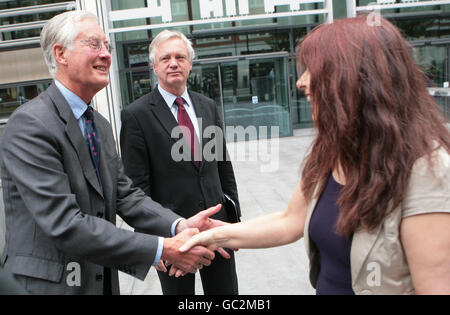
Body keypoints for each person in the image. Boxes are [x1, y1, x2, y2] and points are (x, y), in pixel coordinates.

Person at [180, 15, 450, 295]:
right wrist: (214, 235)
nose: (301, 81)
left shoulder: (428, 171)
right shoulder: (334, 153)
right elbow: (289, 221)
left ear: (357, 79)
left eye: (314, 68)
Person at [0, 11, 228, 295]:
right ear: (61, 53)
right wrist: (161, 248)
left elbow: (125, 194)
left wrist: (177, 224)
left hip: (99, 280)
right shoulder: (30, 125)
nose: (106, 55)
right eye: (94, 45)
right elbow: (65, 223)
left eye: (107, 46)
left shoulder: (99, 125)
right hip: (49, 287)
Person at [120, 30, 240, 295]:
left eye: (180, 57)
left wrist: (234, 222)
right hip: (172, 236)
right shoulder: (136, 116)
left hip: (216, 229)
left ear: (189, 63)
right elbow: (136, 189)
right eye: (165, 58)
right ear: (154, 66)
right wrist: (157, 244)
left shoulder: (207, 105)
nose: (173, 63)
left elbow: (222, 166)